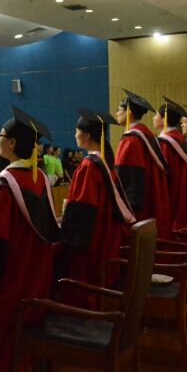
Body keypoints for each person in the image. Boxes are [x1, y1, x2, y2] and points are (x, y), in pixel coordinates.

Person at [0, 106, 59, 372]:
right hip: (37, 274)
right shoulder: (40, 179)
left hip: (13, 276)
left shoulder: (6, 183)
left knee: (3, 322)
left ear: (11, 143)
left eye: (0, 135)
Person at [60, 109, 135, 301]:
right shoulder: (105, 162)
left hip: (93, 242)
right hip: (107, 237)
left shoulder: (89, 166)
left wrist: (67, 222)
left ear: (86, 135)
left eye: (77, 131)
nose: (74, 135)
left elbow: (83, 209)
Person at [114, 89, 171, 238]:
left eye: (119, 109)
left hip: (136, 212)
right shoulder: (148, 134)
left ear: (129, 112)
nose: (116, 113)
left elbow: (124, 179)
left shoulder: (131, 140)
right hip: (149, 201)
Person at [154, 98, 187, 235]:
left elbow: (163, 176)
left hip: (172, 194)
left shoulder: (166, 142)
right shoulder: (180, 138)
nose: (153, 118)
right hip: (184, 193)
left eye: (156, 114)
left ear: (164, 119)